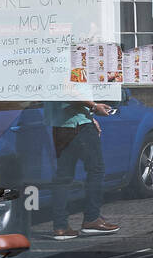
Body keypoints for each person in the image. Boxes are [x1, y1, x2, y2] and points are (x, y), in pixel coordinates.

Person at [45, 99, 119, 241]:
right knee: (96, 169)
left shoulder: (48, 76)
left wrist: (90, 117)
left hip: (59, 125)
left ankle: (60, 227)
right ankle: (92, 219)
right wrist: (94, 106)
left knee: (63, 177)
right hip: (79, 125)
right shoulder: (66, 75)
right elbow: (71, 92)